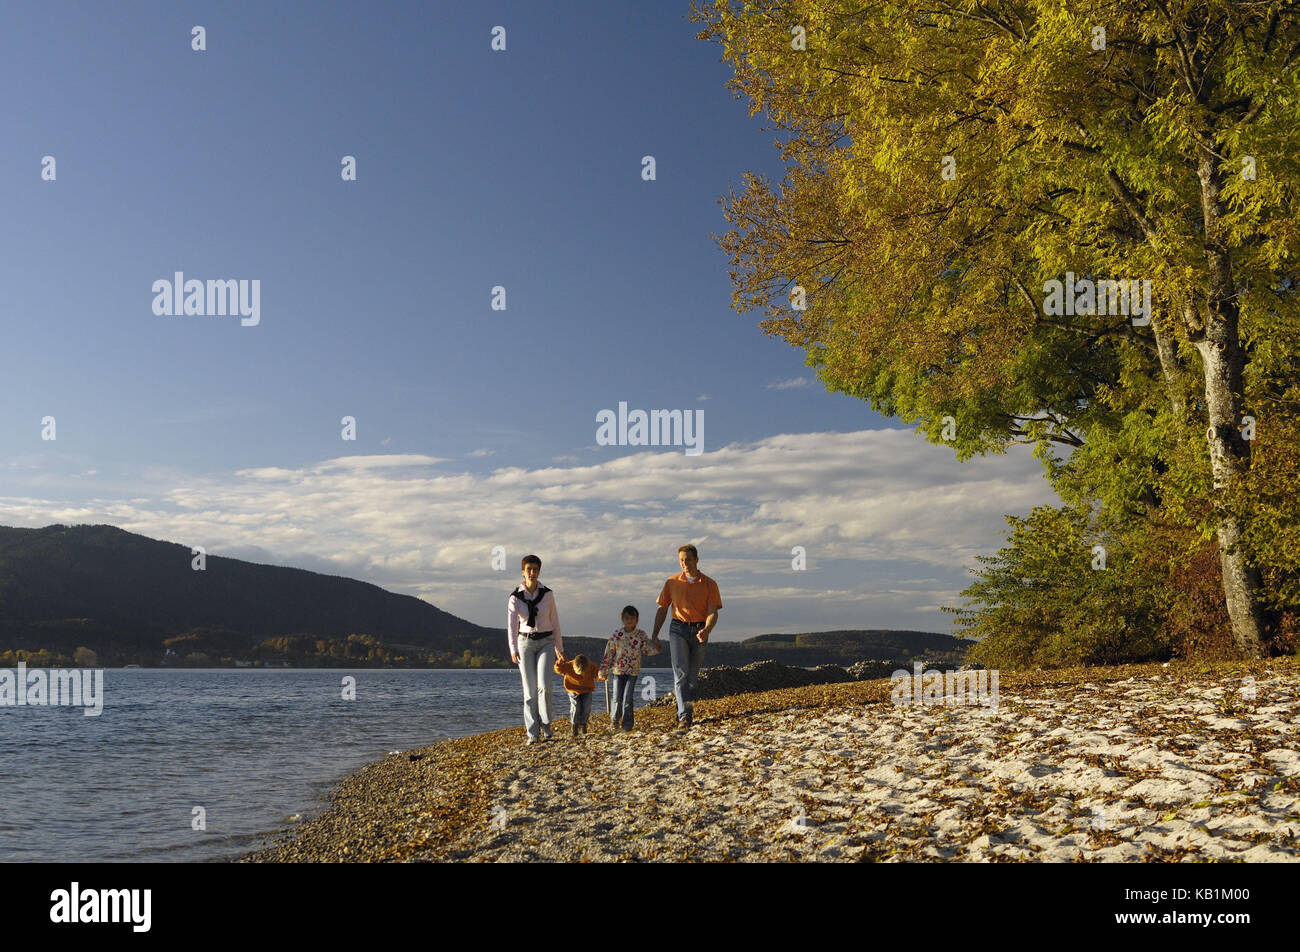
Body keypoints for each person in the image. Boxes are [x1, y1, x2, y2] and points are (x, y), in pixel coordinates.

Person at [651, 545, 721, 730]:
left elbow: (713, 612)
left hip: (700, 631)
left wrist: (707, 630)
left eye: (688, 559)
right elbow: (662, 609)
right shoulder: (672, 582)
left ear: (697, 560)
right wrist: (655, 635)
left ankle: (684, 710)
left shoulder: (709, 584)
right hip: (677, 629)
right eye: (681, 560)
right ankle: (685, 716)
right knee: (681, 673)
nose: (685, 563)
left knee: (692, 679)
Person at [507, 554, 564, 745]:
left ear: (539, 572)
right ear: (523, 572)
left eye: (535, 569)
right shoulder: (515, 597)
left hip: (546, 641)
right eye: (529, 569)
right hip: (525, 643)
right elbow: (511, 626)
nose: (532, 573)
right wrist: (513, 649)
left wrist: (559, 647)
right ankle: (532, 733)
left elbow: (555, 621)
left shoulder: (548, 594)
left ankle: (546, 725)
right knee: (529, 691)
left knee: (545, 686)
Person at [596, 605, 659, 731]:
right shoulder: (617, 634)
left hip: (633, 672)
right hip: (618, 671)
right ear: (622, 619)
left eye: (632, 618)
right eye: (627, 618)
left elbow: (646, 649)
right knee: (617, 698)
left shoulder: (640, 635)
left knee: (627, 698)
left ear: (636, 619)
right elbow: (609, 652)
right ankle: (614, 720)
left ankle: (627, 725)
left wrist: (657, 648)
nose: (629, 620)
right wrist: (603, 670)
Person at [554, 653, 597, 737]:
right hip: (573, 690)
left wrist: (602, 676)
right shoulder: (569, 665)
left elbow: (597, 673)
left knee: (586, 707)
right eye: (579, 673)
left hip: (587, 690)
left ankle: (583, 724)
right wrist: (559, 662)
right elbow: (558, 669)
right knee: (576, 707)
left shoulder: (590, 666)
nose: (581, 675)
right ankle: (574, 725)